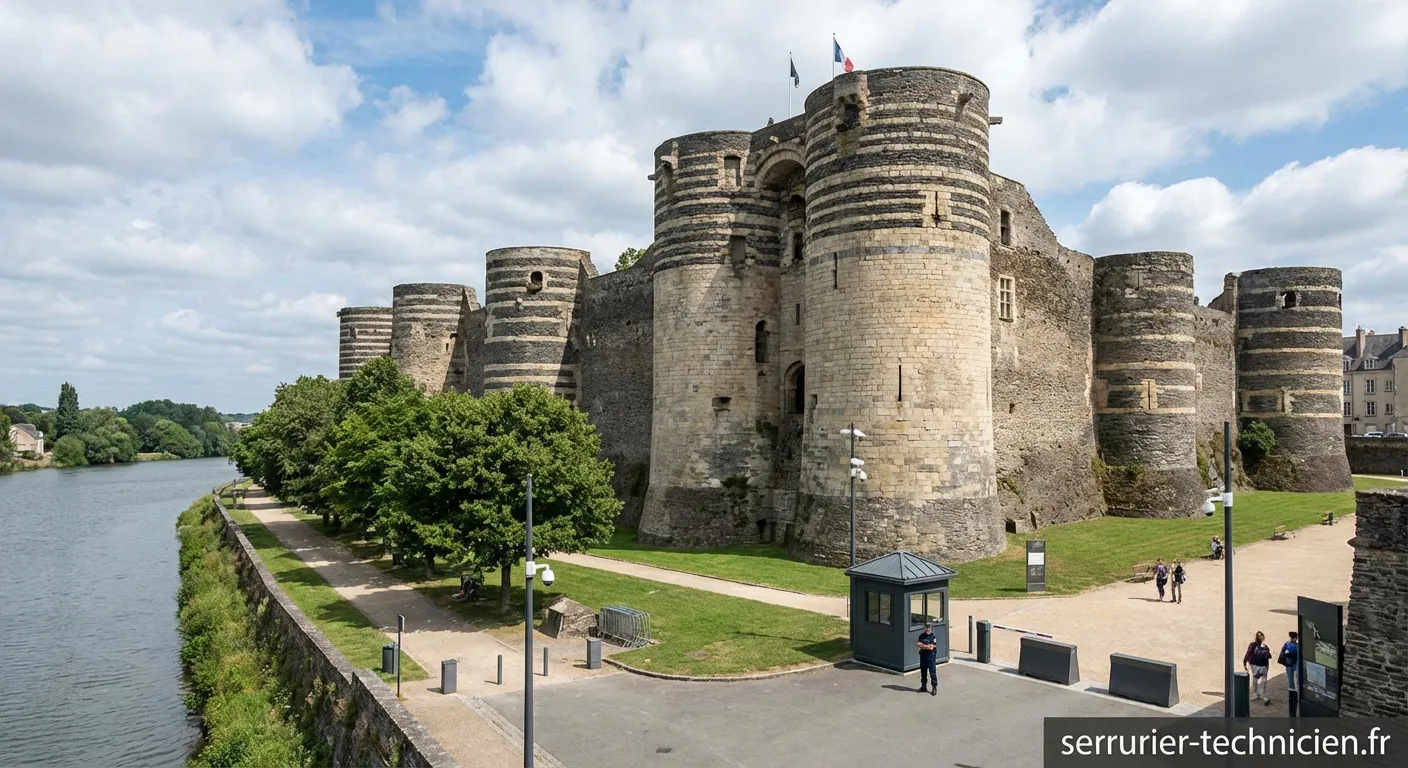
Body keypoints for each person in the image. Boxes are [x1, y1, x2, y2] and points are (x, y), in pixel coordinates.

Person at [1243, 631, 1273, 704]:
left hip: (1256, 665)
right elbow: (1269, 656)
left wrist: (1244, 662)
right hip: (1261, 665)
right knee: (1262, 680)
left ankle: (1256, 693)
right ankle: (1260, 694)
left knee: (1257, 679)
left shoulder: (1256, 646)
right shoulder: (1263, 646)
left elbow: (1248, 653)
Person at [1280, 631, 1300, 715]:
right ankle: (1296, 696)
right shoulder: (1297, 645)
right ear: (1295, 637)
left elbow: (1282, 653)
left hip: (1289, 665)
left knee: (1291, 681)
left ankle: (1293, 694)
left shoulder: (1287, 644)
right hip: (1294, 665)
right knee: (1296, 680)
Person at [916, 622, 939, 696]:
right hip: (923, 656)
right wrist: (927, 646)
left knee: (932, 672)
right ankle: (923, 686)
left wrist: (923, 646)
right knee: (923, 671)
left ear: (930, 628)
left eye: (928, 627)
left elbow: (931, 647)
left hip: (931, 657)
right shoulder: (921, 636)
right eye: (926, 627)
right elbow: (918, 645)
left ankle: (934, 687)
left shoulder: (933, 636)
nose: (927, 629)